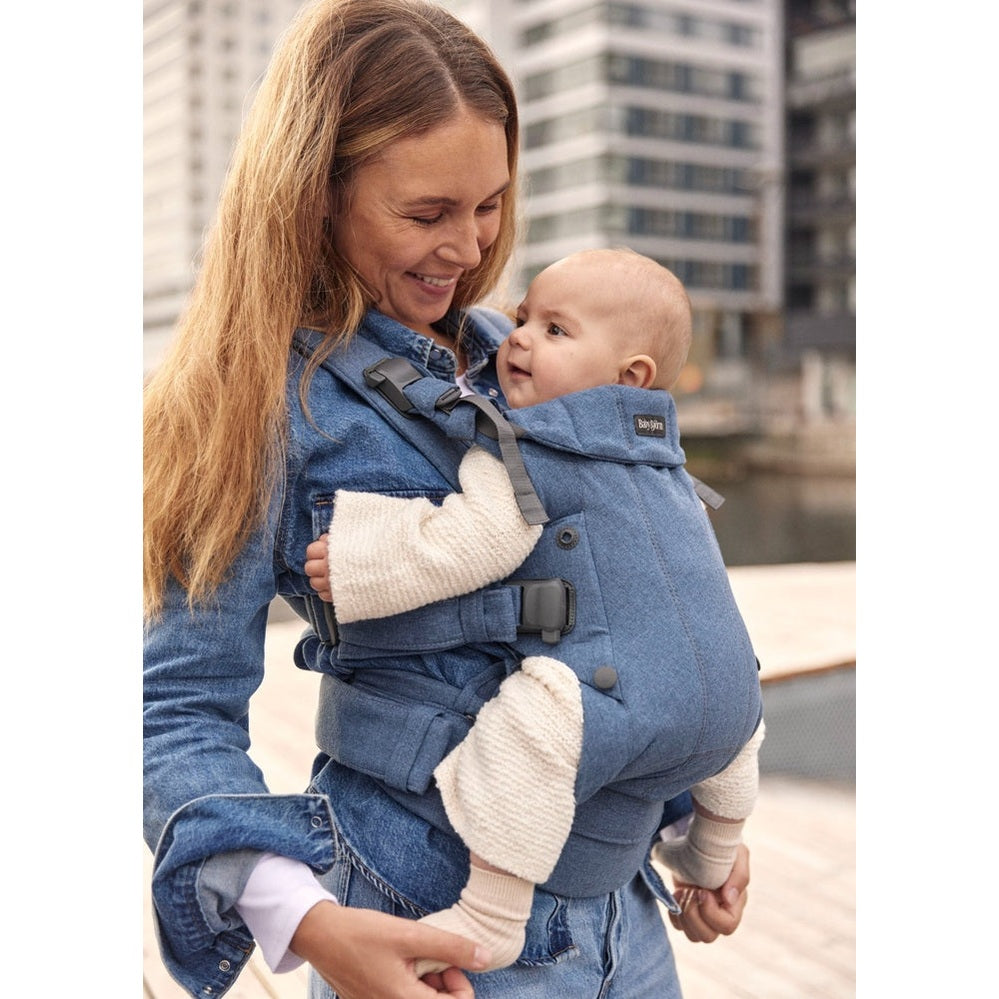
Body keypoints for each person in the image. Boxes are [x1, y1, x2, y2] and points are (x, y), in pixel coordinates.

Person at [142, 2, 753, 997]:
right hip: (423, 936)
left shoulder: (531, 360)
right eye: (426, 214)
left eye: (490, 205)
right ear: (315, 197)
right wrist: (313, 925)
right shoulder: (248, 405)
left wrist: (693, 818)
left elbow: (632, 602)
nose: (469, 249)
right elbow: (175, 712)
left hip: (625, 928)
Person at [302, 247, 765, 974]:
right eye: (523, 318)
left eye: (554, 330)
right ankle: (710, 856)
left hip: (613, 701)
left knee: (526, 724)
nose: (516, 338)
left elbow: (467, 539)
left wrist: (361, 558)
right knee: (729, 713)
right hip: (734, 700)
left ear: (629, 375)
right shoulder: (666, 459)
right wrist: (708, 843)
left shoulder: (528, 443)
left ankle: (490, 912)